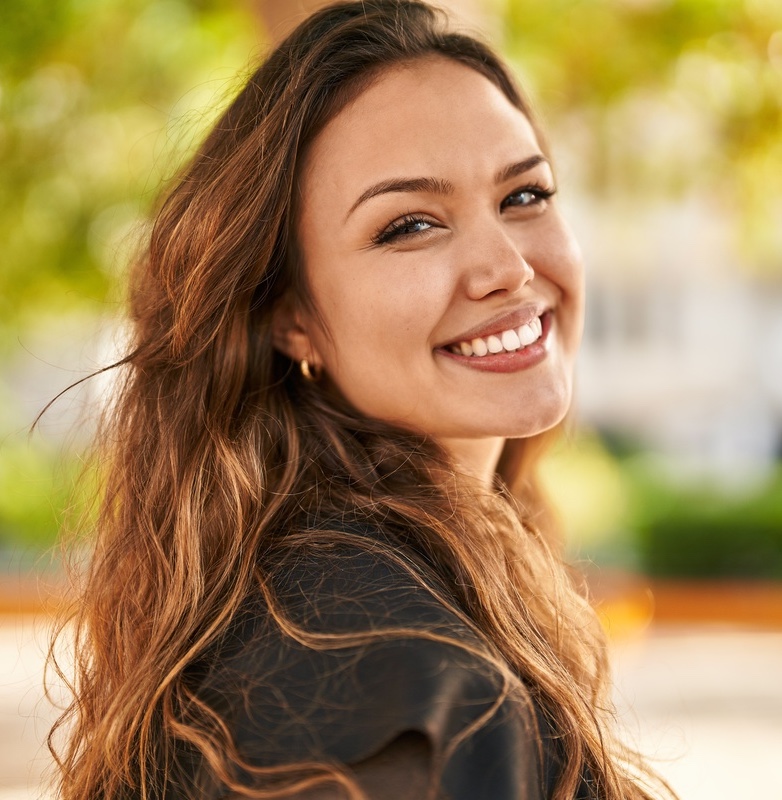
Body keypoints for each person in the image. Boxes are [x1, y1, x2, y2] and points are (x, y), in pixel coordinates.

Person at [48, 2, 675, 798]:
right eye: (410, 224)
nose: (508, 268)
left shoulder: (366, 598)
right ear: (291, 317)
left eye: (525, 196)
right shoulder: (388, 682)